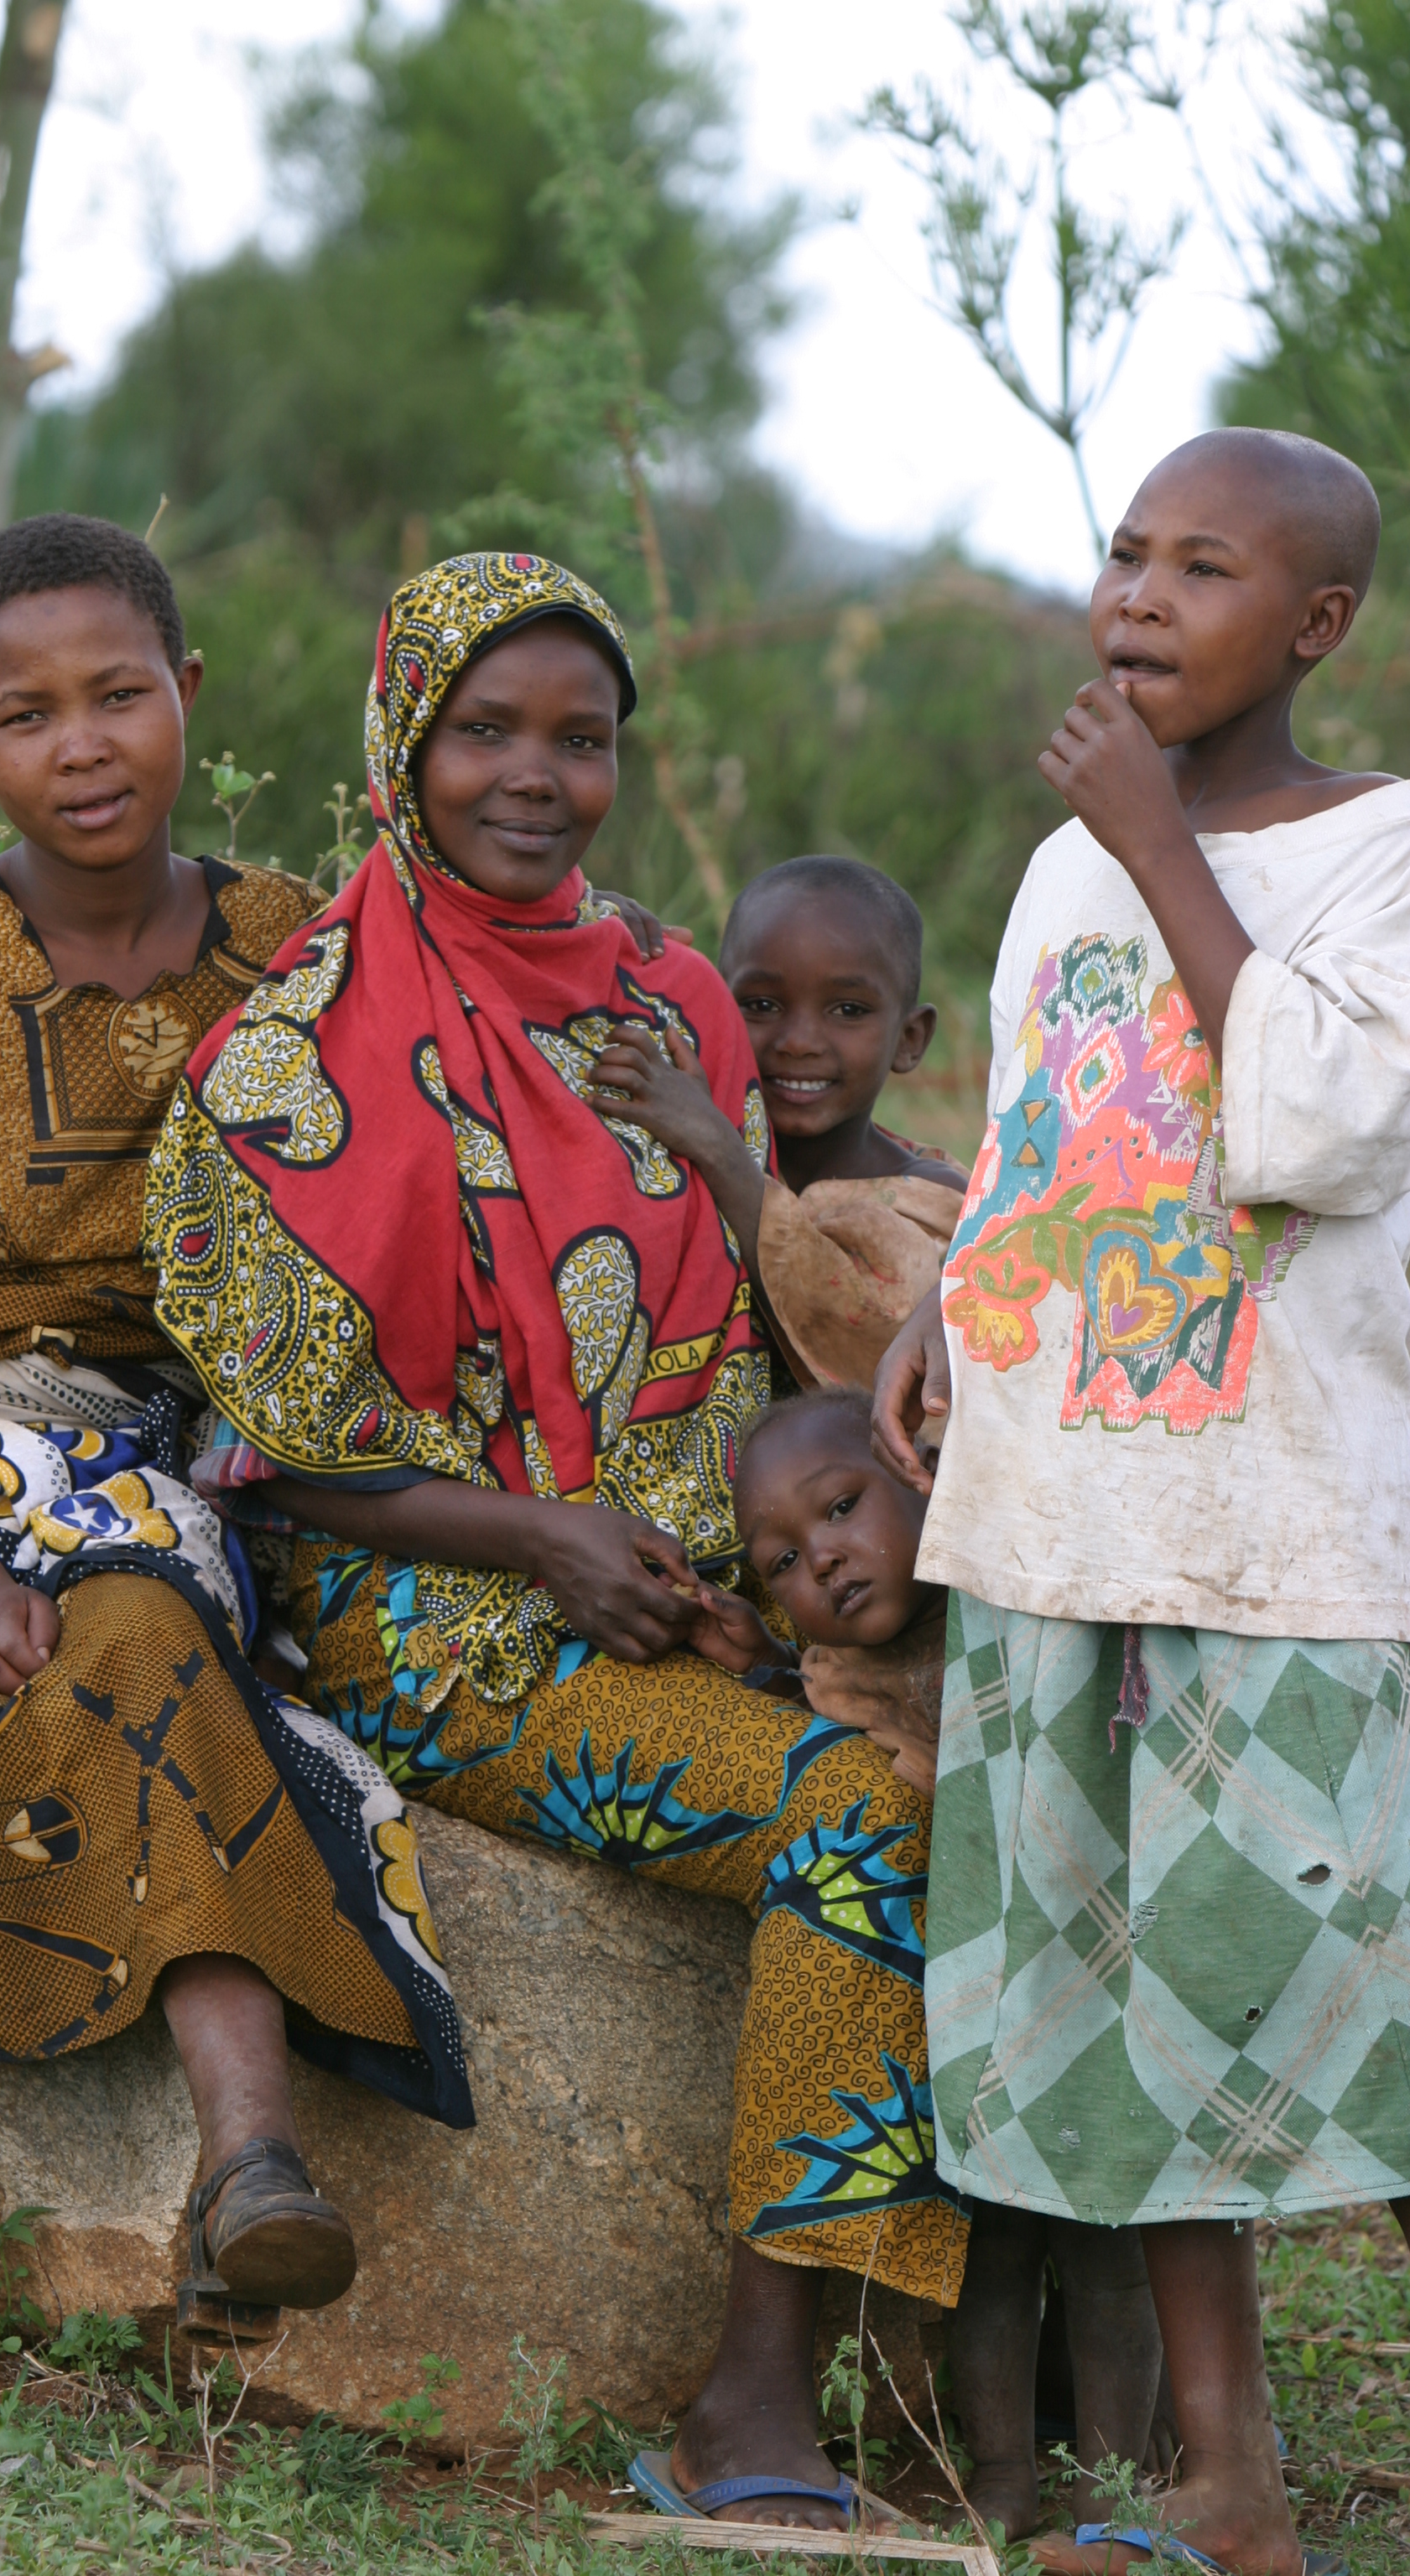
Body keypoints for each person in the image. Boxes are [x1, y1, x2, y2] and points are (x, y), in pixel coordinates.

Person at [147, 551, 965, 2530]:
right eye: (485, 729)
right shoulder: (291, 1054)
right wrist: (545, 1537)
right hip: (449, 1622)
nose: (534, 773)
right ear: (402, 740)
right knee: (855, 1805)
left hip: (700, 1590)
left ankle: (970, 2393)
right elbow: (285, 1455)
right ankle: (745, 2402)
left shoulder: (669, 996)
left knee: (958, 1762)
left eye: (579, 737)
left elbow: (755, 1320)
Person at [0, 513, 475, 2337]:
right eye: (27, 714)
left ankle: (248, 2158)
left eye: (120, 694)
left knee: (147, 1640)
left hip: (131, 1451)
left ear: (186, 698)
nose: (83, 743)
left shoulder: (297, 953)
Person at [874, 427, 1410, 2576]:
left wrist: (1155, 840)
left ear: (1315, 623)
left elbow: (1310, 1127)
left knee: (1326, 1983)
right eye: (1123, 551)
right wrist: (944, 1295)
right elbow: (1037, 1132)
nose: (1140, 594)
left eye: (1203, 565)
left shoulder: (1374, 850)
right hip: (1065, 1509)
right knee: (1147, 2008)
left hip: (1278, 1540)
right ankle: (1231, 2482)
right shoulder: (1057, 868)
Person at [700, 1389, 1171, 2542]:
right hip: (977, 2013)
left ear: (923, 1478)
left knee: (1112, 2257)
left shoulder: (1017, 1595)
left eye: (844, 1509)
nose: (824, 1559)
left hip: (1109, 1994)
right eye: (784, 1561)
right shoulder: (841, 1682)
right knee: (996, 2256)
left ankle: (1118, 2490)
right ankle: (1000, 2480)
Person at [584, 854, 967, 1390]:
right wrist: (587, 928)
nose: (798, 1042)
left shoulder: (935, 1202)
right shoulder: (667, 1119)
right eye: (760, 1004)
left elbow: (867, 1331)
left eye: (849, 1010)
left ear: (910, 1039)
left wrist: (717, 1149)